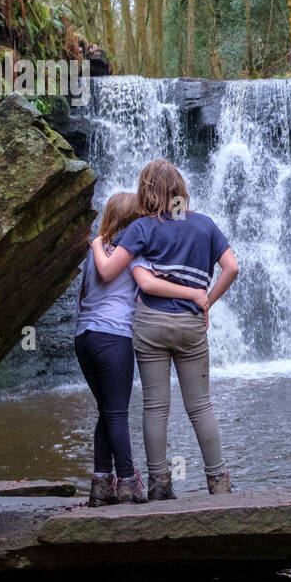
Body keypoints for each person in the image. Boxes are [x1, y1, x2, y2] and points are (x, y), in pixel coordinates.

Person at [91, 159, 239, 498]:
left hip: (151, 324)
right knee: (200, 406)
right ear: (181, 190)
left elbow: (111, 271)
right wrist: (206, 301)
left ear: (147, 190)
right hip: (190, 324)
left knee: (156, 407)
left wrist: (97, 243)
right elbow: (231, 267)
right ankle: (219, 482)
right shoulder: (205, 225)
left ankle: (160, 485)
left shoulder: (141, 228)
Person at [75, 191, 210, 507]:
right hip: (114, 338)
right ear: (134, 222)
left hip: (85, 337)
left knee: (107, 411)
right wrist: (194, 294)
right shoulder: (134, 253)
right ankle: (127, 481)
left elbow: (82, 298)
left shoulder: (95, 254)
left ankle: (99, 483)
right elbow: (150, 284)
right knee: (118, 412)